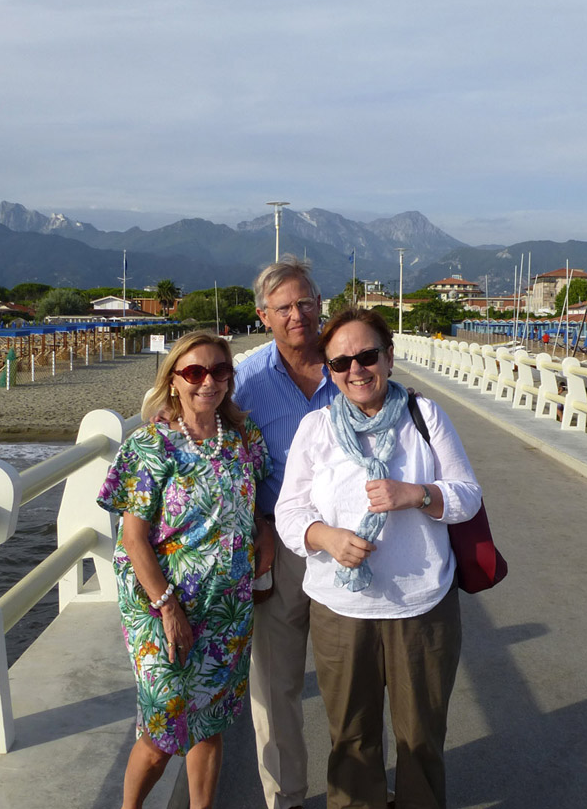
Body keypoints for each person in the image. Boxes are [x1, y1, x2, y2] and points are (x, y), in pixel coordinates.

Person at [275, 308, 482, 809]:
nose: (356, 370)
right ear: (329, 371)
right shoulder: (316, 427)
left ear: (388, 357)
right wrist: (325, 537)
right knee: (351, 737)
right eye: (340, 362)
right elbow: (289, 511)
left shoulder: (424, 415)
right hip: (341, 609)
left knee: (421, 737)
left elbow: (467, 495)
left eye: (367, 356)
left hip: (422, 605)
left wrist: (417, 494)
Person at [97, 331, 271, 809]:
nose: (207, 381)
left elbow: (253, 503)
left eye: (219, 370)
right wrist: (168, 608)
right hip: (161, 606)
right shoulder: (150, 445)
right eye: (194, 372)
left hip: (226, 606)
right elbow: (133, 538)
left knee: (210, 722)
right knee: (162, 726)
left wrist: (265, 531)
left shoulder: (243, 436)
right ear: (173, 379)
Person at [234, 256, 338, 809]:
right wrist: (257, 526)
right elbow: (223, 460)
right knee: (275, 686)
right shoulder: (246, 383)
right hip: (278, 545)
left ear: (319, 305)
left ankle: (357, 791)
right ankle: (286, 797)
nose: (296, 315)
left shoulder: (350, 365)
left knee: (351, 681)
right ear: (263, 316)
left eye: (304, 303)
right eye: (283, 308)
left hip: (347, 545)